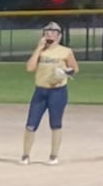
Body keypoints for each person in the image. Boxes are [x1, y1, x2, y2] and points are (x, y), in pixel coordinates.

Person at [23, 22, 78, 166]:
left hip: (58, 91)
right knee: (31, 124)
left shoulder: (65, 51)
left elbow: (74, 68)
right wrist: (38, 49)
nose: (50, 35)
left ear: (59, 36)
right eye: (47, 33)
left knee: (55, 124)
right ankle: (25, 155)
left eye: (53, 33)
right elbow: (30, 68)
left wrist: (65, 72)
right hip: (40, 91)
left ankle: (54, 155)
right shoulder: (40, 51)